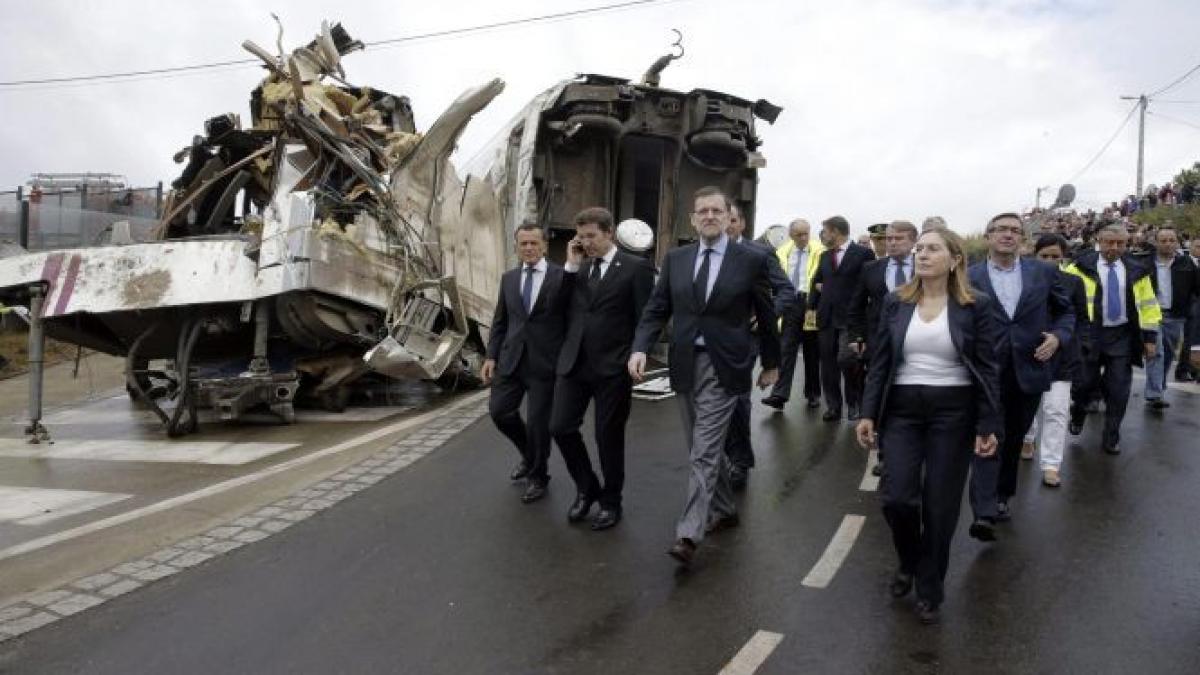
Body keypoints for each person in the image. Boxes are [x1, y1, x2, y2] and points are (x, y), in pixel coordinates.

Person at [628, 186, 782, 567]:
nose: (710, 216)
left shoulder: (751, 259)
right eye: (703, 211)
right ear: (693, 219)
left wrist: (772, 362)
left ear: (729, 217)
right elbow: (656, 307)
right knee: (700, 447)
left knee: (704, 450)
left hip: (726, 364)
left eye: (717, 210)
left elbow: (765, 314)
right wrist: (640, 347)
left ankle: (689, 532)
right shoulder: (677, 259)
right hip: (684, 362)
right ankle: (726, 508)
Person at [856, 228, 1001, 625]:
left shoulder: (976, 305)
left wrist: (988, 424)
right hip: (902, 408)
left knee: (940, 505)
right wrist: (868, 412)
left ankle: (930, 587)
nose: (922, 254)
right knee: (897, 499)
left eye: (932, 249)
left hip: (953, 413)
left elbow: (988, 367)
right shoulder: (896, 302)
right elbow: (881, 362)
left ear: (954, 259)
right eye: (919, 248)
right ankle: (909, 559)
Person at [965, 213, 1073, 540]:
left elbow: (1067, 311)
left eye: (1015, 230)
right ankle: (983, 510)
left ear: (1023, 240)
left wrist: (1058, 337)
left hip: (1029, 368)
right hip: (985, 370)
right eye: (1001, 229)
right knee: (988, 434)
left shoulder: (1043, 272)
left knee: (1013, 437)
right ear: (988, 236)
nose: (1008, 235)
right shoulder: (969, 276)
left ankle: (1002, 496)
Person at [550, 207, 654, 530]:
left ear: (609, 233)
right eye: (581, 236)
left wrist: (639, 352)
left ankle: (611, 502)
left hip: (613, 367)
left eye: (591, 236)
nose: (586, 242)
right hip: (575, 363)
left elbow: (646, 316)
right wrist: (569, 266)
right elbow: (557, 308)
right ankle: (587, 487)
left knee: (607, 438)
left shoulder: (636, 268)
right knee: (560, 427)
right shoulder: (578, 268)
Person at [481, 224, 574, 502]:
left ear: (544, 246)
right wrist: (490, 356)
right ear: (516, 247)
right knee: (500, 412)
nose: (529, 248)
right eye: (524, 244)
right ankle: (529, 454)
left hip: (545, 364)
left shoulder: (562, 277)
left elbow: (571, 323)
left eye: (534, 243)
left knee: (538, 424)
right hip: (511, 360)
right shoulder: (509, 279)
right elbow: (501, 321)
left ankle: (538, 476)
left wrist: (568, 362)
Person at [1066, 225, 1161, 454]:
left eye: (1120, 243)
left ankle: (1111, 436)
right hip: (1088, 335)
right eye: (1109, 242)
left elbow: (1149, 306)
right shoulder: (1077, 267)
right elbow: (1064, 302)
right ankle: (1078, 413)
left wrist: (1149, 338)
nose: (1114, 247)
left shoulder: (1138, 270)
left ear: (1126, 244)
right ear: (1099, 241)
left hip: (1121, 336)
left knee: (1119, 389)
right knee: (1083, 385)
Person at [723, 205, 795, 489]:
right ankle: (716, 455)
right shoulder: (700, 253)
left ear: (741, 224)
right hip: (710, 339)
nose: (725, 225)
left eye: (731, 220)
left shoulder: (760, 254)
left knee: (738, 396)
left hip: (745, 338)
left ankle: (739, 461)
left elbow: (786, 290)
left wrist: (766, 314)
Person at [848, 220, 918, 476]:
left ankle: (914, 450)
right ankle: (886, 455)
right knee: (883, 395)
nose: (892, 243)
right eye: (889, 238)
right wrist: (857, 336)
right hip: (879, 342)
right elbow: (856, 305)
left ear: (913, 241)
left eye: (899, 238)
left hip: (915, 341)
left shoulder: (924, 268)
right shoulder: (871, 269)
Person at [1020, 234, 1088, 488]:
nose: (1049, 261)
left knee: (1057, 410)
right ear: (1035, 256)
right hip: (1029, 353)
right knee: (1028, 404)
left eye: (1055, 257)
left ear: (1063, 258)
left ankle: (1051, 464)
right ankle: (1027, 436)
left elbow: (1081, 319)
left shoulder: (1074, 282)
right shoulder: (1023, 279)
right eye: (1044, 256)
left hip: (1062, 356)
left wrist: (1069, 343)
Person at [809, 215, 875, 421]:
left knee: (848, 361)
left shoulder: (864, 253)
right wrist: (811, 306)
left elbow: (869, 284)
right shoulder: (825, 256)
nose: (823, 236)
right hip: (827, 318)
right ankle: (834, 407)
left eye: (825, 232)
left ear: (836, 232)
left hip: (852, 319)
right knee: (828, 366)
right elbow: (817, 281)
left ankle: (854, 403)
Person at [762, 218, 825, 410]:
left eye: (806, 233)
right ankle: (780, 394)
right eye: (799, 234)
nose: (804, 237)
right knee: (785, 350)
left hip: (811, 303)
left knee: (811, 352)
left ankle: (813, 393)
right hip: (790, 303)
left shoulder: (819, 250)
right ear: (791, 235)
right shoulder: (781, 252)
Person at [1144, 226, 1198, 408]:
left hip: (1175, 316)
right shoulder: (1145, 262)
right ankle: (1154, 394)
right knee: (1156, 352)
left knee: (1168, 354)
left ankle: (1159, 385)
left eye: (1171, 240)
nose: (1168, 244)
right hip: (1151, 314)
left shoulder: (1186, 264)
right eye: (1163, 240)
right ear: (1156, 242)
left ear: (1177, 242)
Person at [1178, 238, 1200, 382]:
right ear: (1190, 247)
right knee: (1190, 339)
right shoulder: (1183, 262)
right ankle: (1183, 369)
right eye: (1198, 246)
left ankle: (1196, 371)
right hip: (1190, 306)